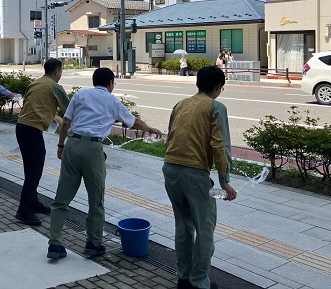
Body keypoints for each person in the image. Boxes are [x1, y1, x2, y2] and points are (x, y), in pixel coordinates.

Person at [47, 67, 163, 259]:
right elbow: (133, 121)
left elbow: (66, 122)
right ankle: (93, 244)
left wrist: (61, 146)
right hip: (93, 150)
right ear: (110, 83)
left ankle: (54, 244)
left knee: (61, 199)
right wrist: (150, 128)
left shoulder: (80, 94)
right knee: (96, 200)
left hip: (72, 145)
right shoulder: (112, 100)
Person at [163, 66, 237, 289]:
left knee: (183, 225)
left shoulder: (181, 104)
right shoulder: (216, 107)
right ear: (217, 87)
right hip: (195, 173)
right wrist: (224, 179)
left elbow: (171, 136)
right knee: (205, 228)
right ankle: (199, 282)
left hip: (170, 168)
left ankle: (184, 278)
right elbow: (220, 144)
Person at [15, 58, 70, 226]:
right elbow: (71, 111)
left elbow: (34, 105)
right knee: (34, 171)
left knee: (31, 168)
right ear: (56, 71)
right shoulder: (55, 86)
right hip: (32, 130)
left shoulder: (36, 83)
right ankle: (23, 211)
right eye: (61, 71)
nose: (61, 74)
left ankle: (33, 202)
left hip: (22, 127)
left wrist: (53, 116)